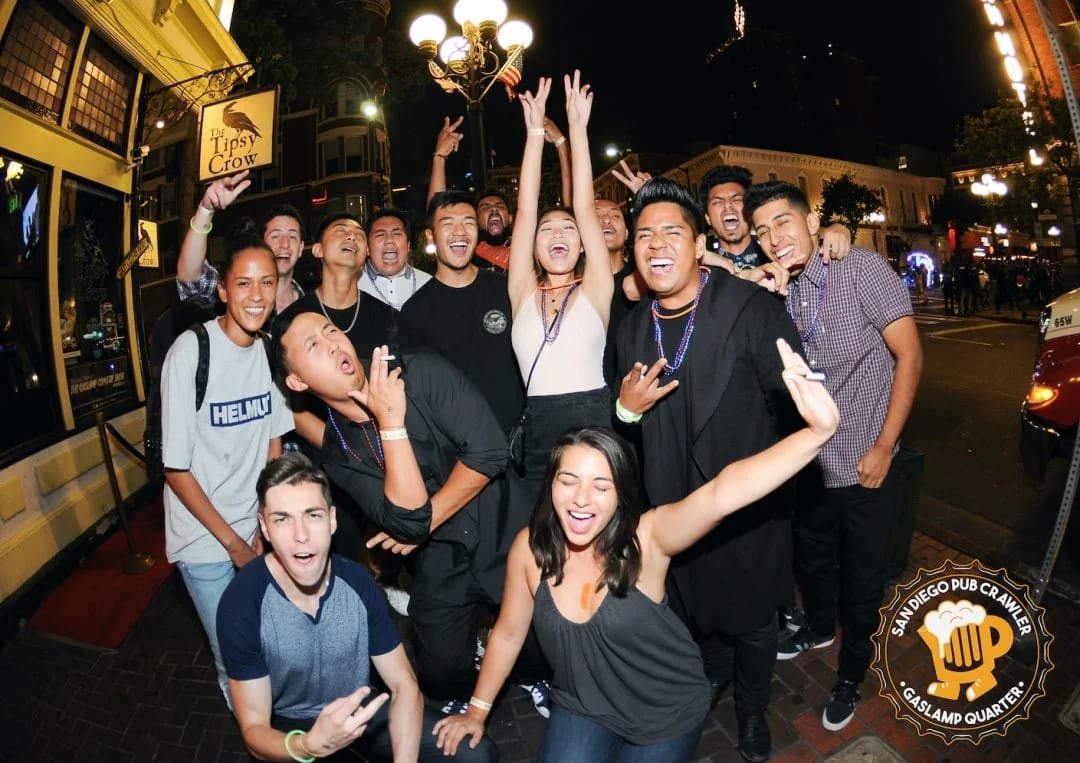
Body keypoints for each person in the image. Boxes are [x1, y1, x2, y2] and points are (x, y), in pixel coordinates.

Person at [433, 341, 839, 761]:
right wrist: (476, 712)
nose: (581, 499)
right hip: (584, 705)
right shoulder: (530, 549)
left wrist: (815, 435)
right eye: (568, 481)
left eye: (601, 486)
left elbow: (721, 494)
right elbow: (508, 632)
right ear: (550, 484)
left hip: (664, 711)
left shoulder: (644, 540)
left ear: (620, 496)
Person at [272, 311, 548, 717]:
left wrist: (425, 522)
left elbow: (489, 451)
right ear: (297, 382)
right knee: (440, 670)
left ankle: (528, 672)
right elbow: (409, 518)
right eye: (313, 345)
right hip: (438, 555)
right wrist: (391, 424)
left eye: (330, 330)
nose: (332, 343)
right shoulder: (338, 453)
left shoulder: (419, 372)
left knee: (541, 637)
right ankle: (475, 668)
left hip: (501, 525)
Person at [615, 178, 803, 762]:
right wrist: (626, 410)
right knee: (696, 613)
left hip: (746, 510)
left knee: (753, 622)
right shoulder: (632, 326)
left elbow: (793, 411)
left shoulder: (749, 307)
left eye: (672, 232)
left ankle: (752, 709)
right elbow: (625, 427)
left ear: (699, 245)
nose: (656, 244)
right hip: (673, 507)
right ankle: (713, 675)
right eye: (644, 235)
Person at [746, 180, 923, 733]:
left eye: (782, 222)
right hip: (810, 465)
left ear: (811, 223)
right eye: (761, 231)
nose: (773, 238)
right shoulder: (781, 288)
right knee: (813, 559)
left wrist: (884, 447)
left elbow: (911, 356)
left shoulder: (861, 269)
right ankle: (819, 628)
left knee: (862, 584)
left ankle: (851, 674)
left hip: (867, 464)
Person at [216, 453, 496, 762]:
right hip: (292, 726)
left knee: (475, 754)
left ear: (332, 520)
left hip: (359, 706)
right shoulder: (242, 603)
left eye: (312, 515)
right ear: (265, 528)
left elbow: (403, 686)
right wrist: (307, 745)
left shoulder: (357, 583)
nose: (301, 535)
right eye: (282, 519)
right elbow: (254, 730)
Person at [161, 234, 294, 704]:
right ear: (222, 290)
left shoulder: (269, 350)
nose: (257, 296)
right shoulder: (190, 352)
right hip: (204, 539)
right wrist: (235, 544)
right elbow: (175, 469)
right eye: (243, 283)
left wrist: (264, 520)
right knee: (235, 658)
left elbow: (274, 439)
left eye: (267, 282)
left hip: (253, 528)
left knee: (268, 640)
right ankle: (255, 729)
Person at [508, 72, 614, 484]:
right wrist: (535, 132)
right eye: (547, 229)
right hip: (538, 430)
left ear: (584, 244)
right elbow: (525, 210)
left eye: (568, 229)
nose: (558, 235)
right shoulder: (522, 291)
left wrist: (577, 128)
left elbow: (584, 206)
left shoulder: (596, 288)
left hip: (595, 424)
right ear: (532, 245)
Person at [400, 191, 524, 435]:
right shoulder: (415, 311)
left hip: (517, 439)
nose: (460, 232)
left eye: (468, 223)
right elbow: (417, 394)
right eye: (448, 224)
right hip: (458, 446)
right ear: (430, 236)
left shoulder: (506, 289)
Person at [427, 115, 572, 272]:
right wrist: (439, 157)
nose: (493, 209)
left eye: (500, 206)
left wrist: (561, 143)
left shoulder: (531, 247)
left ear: (510, 218)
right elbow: (437, 214)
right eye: (485, 207)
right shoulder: (465, 251)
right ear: (475, 221)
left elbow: (571, 210)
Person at [177, 170, 305, 315]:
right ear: (261, 244)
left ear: (301, 247)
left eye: (292, 237)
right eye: (275, 236)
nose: (285, 244)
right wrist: (206, 210)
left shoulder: (311, 307)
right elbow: (190, 279)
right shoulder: (234, 291)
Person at [359, 207, 431, 311]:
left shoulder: (428, 283)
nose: (389, 240)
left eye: (396, 234)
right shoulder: (352, 285)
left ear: (408, 245)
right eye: (380, 234)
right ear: (367, 248)